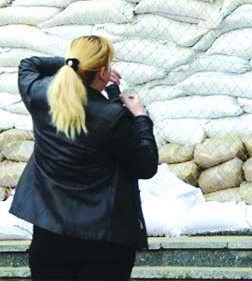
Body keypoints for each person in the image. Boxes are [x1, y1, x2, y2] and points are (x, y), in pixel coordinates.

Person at [11, 35, 158, 279]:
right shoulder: (113, 117)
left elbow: (29, 64)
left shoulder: (40, 96)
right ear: (102, 72)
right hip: (104, 242)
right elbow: (145, 166)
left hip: (49, 237)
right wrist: (140, 117)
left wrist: (72, 64)